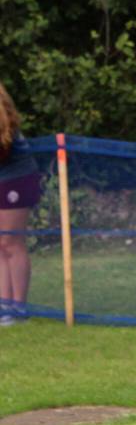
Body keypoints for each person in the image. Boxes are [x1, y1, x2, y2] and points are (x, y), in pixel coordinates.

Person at [0, 82, 42, 327]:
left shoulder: (4, 118)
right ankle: (4, 305)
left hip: (16, 180)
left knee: (11, 242)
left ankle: (19, 307)